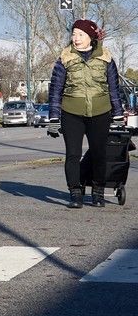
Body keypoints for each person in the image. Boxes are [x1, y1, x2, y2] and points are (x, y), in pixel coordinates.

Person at [47, 19, 124, 208]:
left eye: (80, 34)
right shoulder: (65, 58)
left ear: (90, 37)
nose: (75, 38)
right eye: (73, 34)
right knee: (72, 154)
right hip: (71, 112)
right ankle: (75, 193)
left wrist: (118, 113)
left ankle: (97, 191)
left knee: (99, 153)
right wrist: (53, 117)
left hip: (100, 112)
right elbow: (56, 89)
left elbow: (114, 88)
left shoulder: (105, 58)